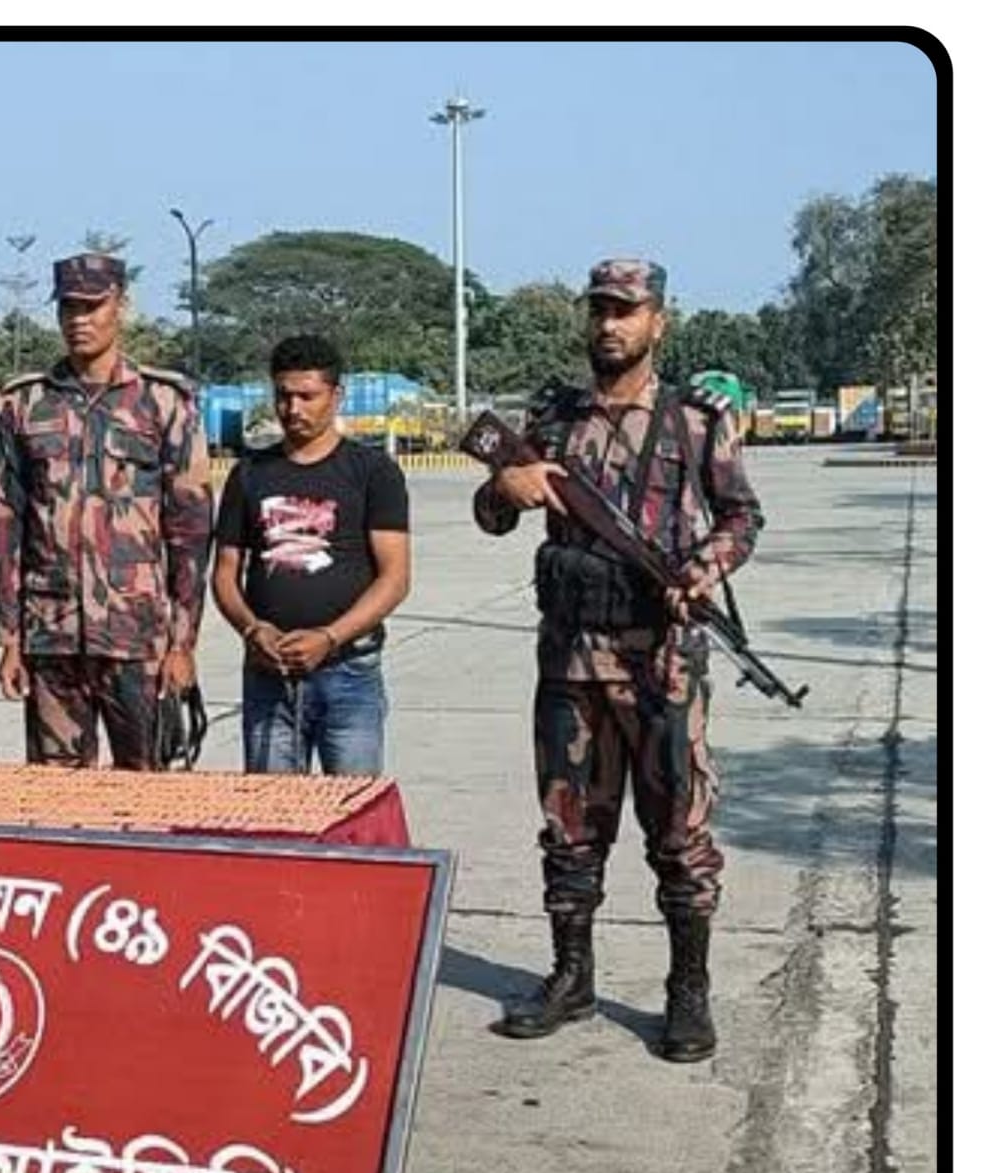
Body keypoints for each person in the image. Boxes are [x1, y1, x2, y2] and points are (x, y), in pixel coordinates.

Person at [473, 258, 764, 1062]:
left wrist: (699, 571)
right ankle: (570, 978)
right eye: (599, 309)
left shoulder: (692, 420)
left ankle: (685, 993)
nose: (609, 324)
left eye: (625, 311)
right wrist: (510, 484)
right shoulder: (551, 419)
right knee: (568, 831)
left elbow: (740, 515)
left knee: (679, 834)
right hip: (568, 663)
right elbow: (490, 514)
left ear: (656, 322)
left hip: (661, 665)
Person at [0, 252, 212, 768]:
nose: (79, 320)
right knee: (55, 801)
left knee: (148, 791)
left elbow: (191, 534)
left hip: (137, 637)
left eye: (93, 306)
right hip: (51, 637)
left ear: (122, 307)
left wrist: (183, 643)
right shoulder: (25, 406)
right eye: (69, 308)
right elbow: (9, 530)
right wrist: (9, 639)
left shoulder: (163, 402)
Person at [211, 334, 411, 775]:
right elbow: (225, 574)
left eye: (308, 396)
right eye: (284, 396)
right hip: (269, 674)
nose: (294, 409)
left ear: (336, 396)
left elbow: (394, 579)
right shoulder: (248, 475)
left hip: (349, 673)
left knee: (351, 816)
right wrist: (252, 629)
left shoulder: (373, 473)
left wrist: (330, 637)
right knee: (272, 821)